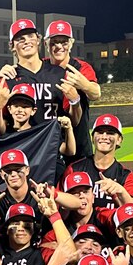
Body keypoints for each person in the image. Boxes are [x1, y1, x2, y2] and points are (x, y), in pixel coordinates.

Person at [0, 20, 82, 138]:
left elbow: (74, 122)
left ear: (38, 40)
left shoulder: (59, 73)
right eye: (20, 39)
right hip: (22, 147)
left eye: (30, 36)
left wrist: (75, 101)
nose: (27, 41)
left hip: (51, 147)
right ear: (12, 46)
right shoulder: (8, 79)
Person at [43, 19, 100, 163]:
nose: (59, 46)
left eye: (64, 42)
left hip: (78, 144)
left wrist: (84, 84)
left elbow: (96, 94)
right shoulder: (40, 67)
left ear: (71, 43)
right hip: (47, 145)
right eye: (54, 42)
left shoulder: (80, 67)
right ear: (46, 43)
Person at [62, 114, 133, 209]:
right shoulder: (74, 169)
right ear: (93, 137)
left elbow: (131, 213)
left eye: (110, 133)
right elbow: (60, 207)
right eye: (100, 132)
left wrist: (120, 192)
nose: (104, 137)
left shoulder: (126, 176)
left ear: (119, 140)